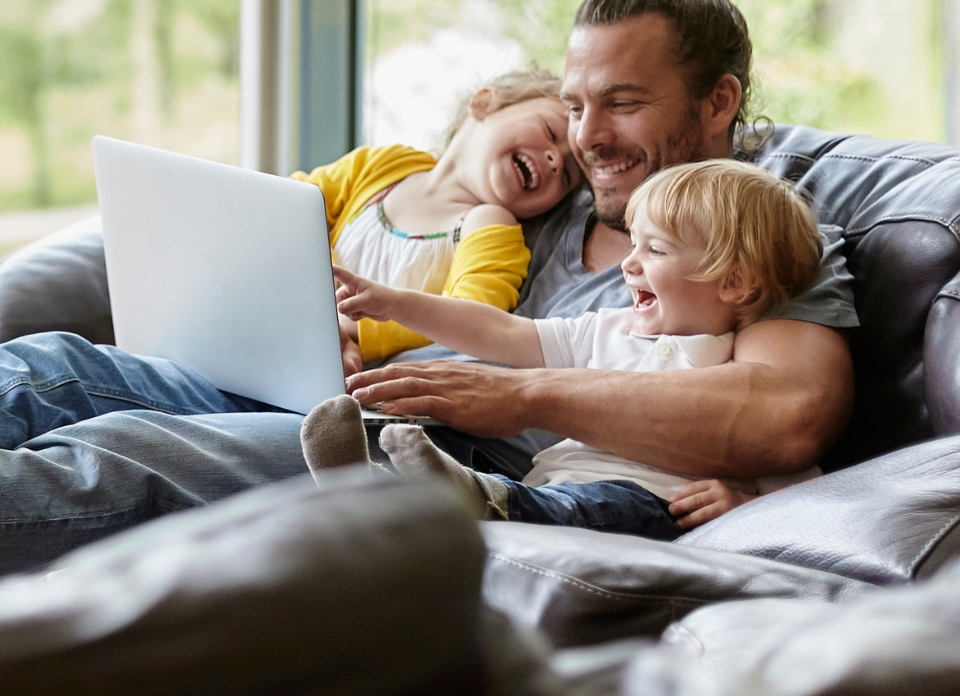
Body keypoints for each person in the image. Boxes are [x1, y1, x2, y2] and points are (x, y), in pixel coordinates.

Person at [0, 0, 857, 577]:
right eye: (574, 106)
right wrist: (306, 311)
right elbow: (426, 205)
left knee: (119, 456)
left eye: (623, 105)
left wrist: (515, 395)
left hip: (444, 448)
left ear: (719, 102)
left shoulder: (760, 229)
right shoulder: (555, 191)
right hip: (346, 386)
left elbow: (785, 415)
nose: (587, 140)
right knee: (51, 368)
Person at [302, 159, 823, 538]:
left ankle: (452, 501)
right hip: (544, 484)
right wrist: (396, 303)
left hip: (647, 507)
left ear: (732, 282)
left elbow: (807, 490)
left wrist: (743, 501)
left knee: (598, 503)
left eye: (656, 250)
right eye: (634, 244)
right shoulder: (607, 329)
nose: (629, 264)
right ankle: (374, 490)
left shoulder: (739, 371)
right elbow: (503, 333)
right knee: (442, 444)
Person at [292, 66, 581, 371]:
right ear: (483, 104)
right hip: (290, 324)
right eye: (550, 131)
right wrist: (321, 313)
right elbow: (291, 209)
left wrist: (350, 331)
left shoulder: (490, 224)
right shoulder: (386, 163)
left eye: (568, 178)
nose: (556, 161)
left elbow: (471, 321)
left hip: (340, 372)